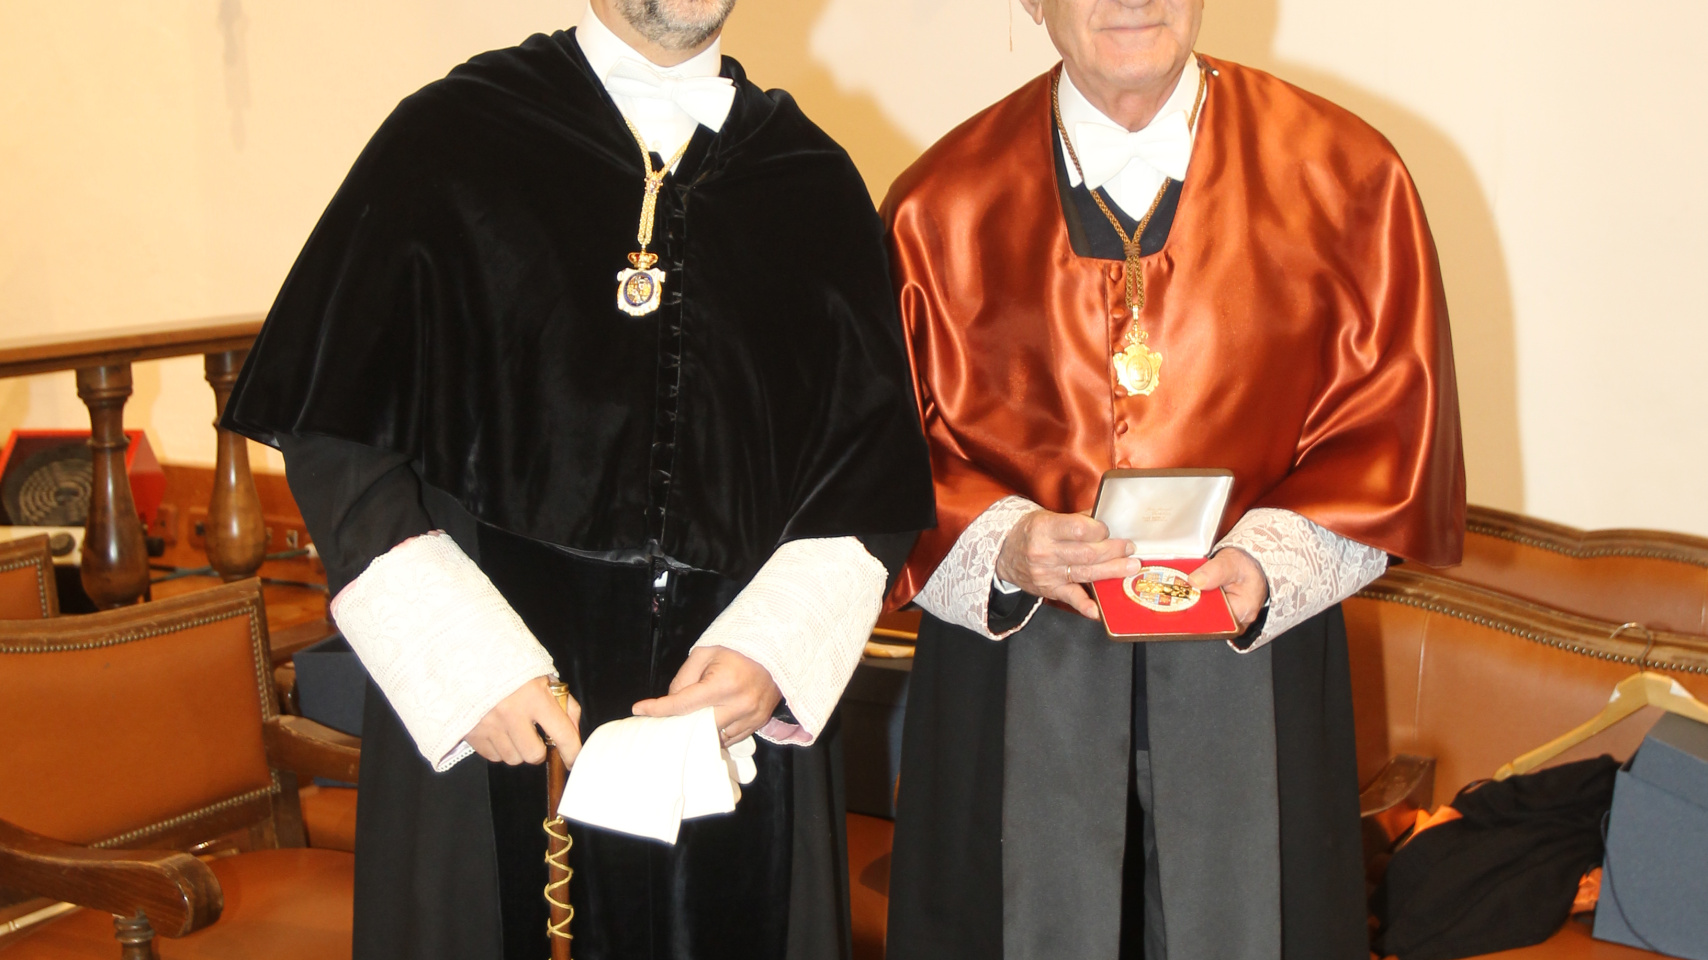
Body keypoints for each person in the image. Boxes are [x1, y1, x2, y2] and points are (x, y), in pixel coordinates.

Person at [221, 1, 934, 958]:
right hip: (498, 712)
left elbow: (867, 484)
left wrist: (775, 657)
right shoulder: (451, 139)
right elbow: (332, 430)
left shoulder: (811, 183)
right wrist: (467, 665)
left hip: (729, 729)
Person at [880, 2, 1463, 959]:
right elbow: (884, 458)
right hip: (1013, 674)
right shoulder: (936, 205)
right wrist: (1006, 543)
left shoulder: (1349, 177)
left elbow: (1392, 434)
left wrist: (1270, 560)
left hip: (1256, 666)